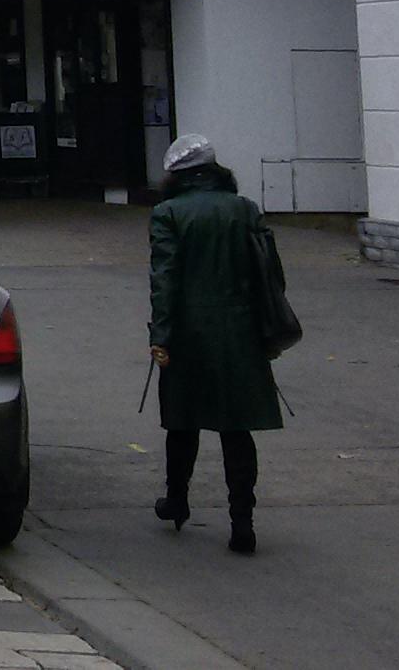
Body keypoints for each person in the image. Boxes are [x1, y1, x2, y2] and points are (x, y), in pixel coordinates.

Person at [147, 133, 283, 555]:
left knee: (182, 420)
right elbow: (270, 274)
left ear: (176, 176)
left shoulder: (168, 213)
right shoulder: (245, 209)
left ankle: (177, 499)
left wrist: (160, 336)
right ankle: (242, 522)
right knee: (236, 428)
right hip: (241, 333)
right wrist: (268, 330)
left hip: (188, 334)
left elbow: (165, 281)